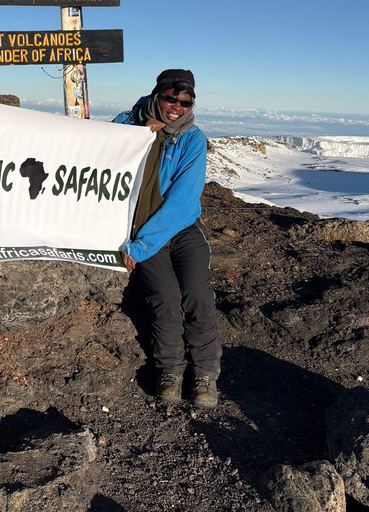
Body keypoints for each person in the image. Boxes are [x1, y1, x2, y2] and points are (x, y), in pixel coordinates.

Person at [113, 69, 221, 408]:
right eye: (170, 98)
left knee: (198, 295)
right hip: (140, 227)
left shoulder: (192, 138)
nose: (177, 106)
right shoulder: (125, 123)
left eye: (185, 101)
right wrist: (137, 138)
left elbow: (184, 201)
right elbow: (101, 163)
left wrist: (142, 247)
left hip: (180, 229)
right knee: (165, 296)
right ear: (157, 94)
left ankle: (204, 375)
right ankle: (170, 371)